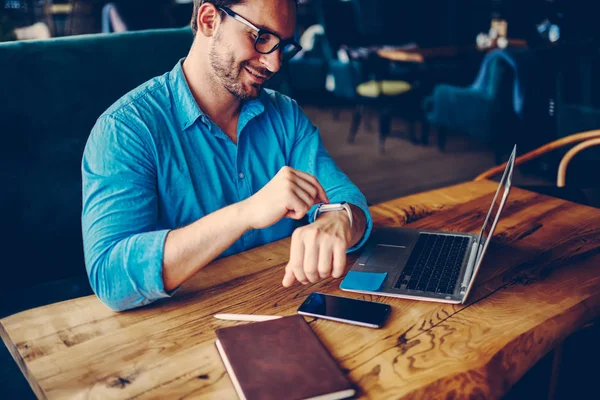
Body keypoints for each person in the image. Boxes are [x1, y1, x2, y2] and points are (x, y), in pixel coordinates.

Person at [82, 0, 372, 312]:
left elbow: (344, 197)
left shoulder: (286, 115)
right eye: (261, 37)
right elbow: (111, 277)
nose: (274, 64)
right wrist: (245, 213)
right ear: (209, 20)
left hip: (286, 308)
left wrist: (339, 218)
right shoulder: (126, 130)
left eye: (283, 46)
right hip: (181, 329)